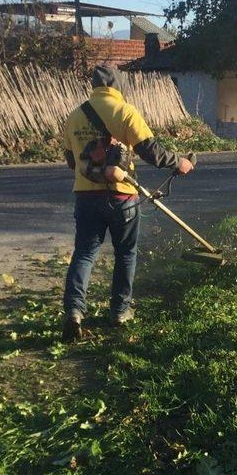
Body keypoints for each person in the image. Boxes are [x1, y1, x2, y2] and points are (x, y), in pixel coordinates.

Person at [61, 64, 194, 342]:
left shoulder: (74, 116)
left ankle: (74, 311)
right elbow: (150, 150)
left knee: (84, 253)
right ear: (118, 86)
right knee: (125, 253)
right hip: (122, 196)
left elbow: (72, 161)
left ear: (94, 86)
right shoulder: (125, 112)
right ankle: (120, 312)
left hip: (85, 195)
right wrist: (179, 162)